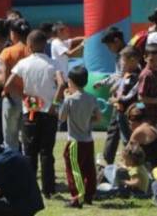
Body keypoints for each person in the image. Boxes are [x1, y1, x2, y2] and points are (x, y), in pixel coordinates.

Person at [4, 30, 58, 198]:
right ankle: (48, 189)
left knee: (29, 152)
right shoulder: (53, 64)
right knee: (47, 152)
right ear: (45, 45)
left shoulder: (24, 63)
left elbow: (8, 85)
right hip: (49, 111)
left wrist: (25, 97)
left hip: (31, 110)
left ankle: (29, 187)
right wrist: (54, 103)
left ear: (29, 45)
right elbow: (62, 83)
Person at [59, 66, 99, 208]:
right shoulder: (92, 98)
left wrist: (65, 98)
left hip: (74, 141)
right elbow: (98, 117)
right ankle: (89, 195)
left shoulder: (70, 100)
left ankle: (77, 197)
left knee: (74, 170)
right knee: (89, 169)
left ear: (71, 82)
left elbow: (62, 118)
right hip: (88, 140)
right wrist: (87, 120)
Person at [0, 19, 30, 150]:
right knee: (27, 138)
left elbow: (4, 80)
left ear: (13, 33)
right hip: (30, 98)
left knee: (10, 139)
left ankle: (12, 161)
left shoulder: (8, 52)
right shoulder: (34, 51)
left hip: (11, 97)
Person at [93, 27, 127, 166]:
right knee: (116, 129)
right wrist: (103, 82)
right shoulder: (122, 54)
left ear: (117, 41)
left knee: (122, 131)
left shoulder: (125, 55)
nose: (109, 49)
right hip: (121, 98)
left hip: (124, 99)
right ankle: (108, 159)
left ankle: (113, 159)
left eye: (109, 45)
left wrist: (114, 86)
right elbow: (118, 75)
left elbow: (123, 76)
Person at [126, 103, 157, 170]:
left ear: (132, 119)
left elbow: (126, 156)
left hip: (154, 172)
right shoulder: (155, 127)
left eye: (129, 119)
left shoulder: (139, 131)